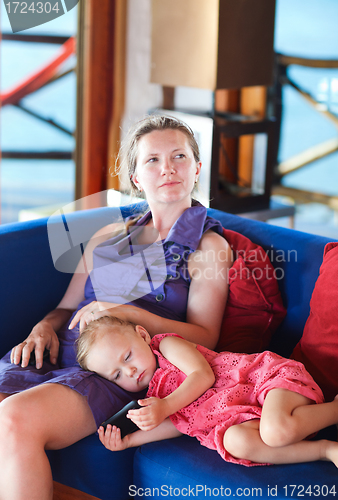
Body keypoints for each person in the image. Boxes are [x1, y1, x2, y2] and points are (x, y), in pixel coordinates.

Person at [0, 114, 233, 499]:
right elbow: (67, 307)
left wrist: (128, 313)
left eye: (179, 156)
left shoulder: (208, 249)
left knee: (12, 421)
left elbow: (208, 338)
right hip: (60, 349)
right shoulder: (108, 235)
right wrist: (42, 326)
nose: (168, 169)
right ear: (137, 178)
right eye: (152, 160)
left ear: (197, 168)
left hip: (118, 369)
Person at [76, 315, 338, 468]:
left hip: (266, 381)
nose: (130, 371)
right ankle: (324, 450)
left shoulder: (166, 346)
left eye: (128, 357)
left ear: (143, 335)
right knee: (234, 442)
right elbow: (181, 424)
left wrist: (165, 406)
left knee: (276, 431)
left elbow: (202, 376)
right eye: (117, 375)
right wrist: (130, 441)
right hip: (250, 415)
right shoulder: (156, 398)